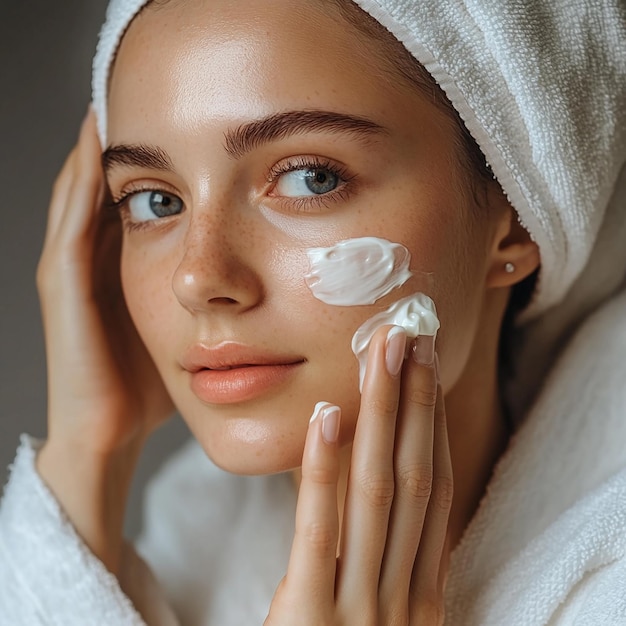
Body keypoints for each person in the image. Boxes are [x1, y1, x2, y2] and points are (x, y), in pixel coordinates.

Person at [1, 0, 625, 624]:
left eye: (310, 179)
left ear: (513, 218)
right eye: (157, 200)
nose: (197, 278)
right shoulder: (193, 539)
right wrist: (88, 450)